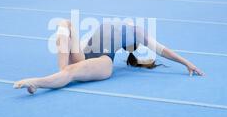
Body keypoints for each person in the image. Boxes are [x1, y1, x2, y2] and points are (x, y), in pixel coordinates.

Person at [13, 20, 204, 94]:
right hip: (84, 55)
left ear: (132, 46)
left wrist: (186, 62)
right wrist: (67, 41)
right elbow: (83, 43)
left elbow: (162, 50)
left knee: (71, 72)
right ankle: (59, 73)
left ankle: (38, 82)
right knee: (65, 23)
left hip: (102, 63)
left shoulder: (138, 32)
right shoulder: (118, 26)